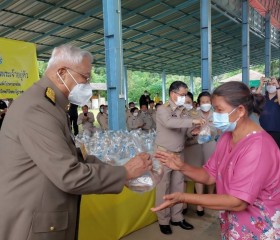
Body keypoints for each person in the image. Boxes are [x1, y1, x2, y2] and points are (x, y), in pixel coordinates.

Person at [0, 44, 152, 240]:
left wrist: (122, 169)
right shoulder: (37, 109)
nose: (87, 85)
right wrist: (124, 172)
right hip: (33, 223)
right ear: (62, 72)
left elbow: (75, 156)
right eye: (85, 78)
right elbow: (68, 174)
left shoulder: (51, 105)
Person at [152, 81, 280, 239]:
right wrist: (182, 166)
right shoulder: (227, 137)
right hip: (233, 225)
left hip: (259, 229)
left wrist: (183, 197)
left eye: (219, 110)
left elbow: (237, 202)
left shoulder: (258, 147)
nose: (215, 114)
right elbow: (209, 175)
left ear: (240, 110)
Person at [154, 81, 204, 235]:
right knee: (163, 186)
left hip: (179, 154)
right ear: (172, 94)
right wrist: (193, 120)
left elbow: (184, 132)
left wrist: (193, 132)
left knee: (177, 186)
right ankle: (163, 220)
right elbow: (170, 123)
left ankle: (177, 217)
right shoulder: (163, 109)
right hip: (164, 153)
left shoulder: (184, 111)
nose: (184, 98)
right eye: (182, 95)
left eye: (185, 95)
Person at [184, 91, 217, 216]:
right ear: (199, 103)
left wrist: (205, 131)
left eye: (207, 102)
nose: (205, 104)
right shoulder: (194, 114)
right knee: (197, 172)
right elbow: (189, 131)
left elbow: (217, 131)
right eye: (203, 102)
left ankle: (210, 198)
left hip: (210, 145)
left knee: (211, 172)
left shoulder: (216, 114)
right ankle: (199, 203)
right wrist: (196, 132)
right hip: (195, 146)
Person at [258, 76, 280, 147]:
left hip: (277, 131)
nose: (271, 86)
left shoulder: (278, 97)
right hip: (263, 130)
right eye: (269, 84)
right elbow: (254, 100)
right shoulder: (263, 97)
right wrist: (261, 85)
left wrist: (277, 86)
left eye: (273, 84)